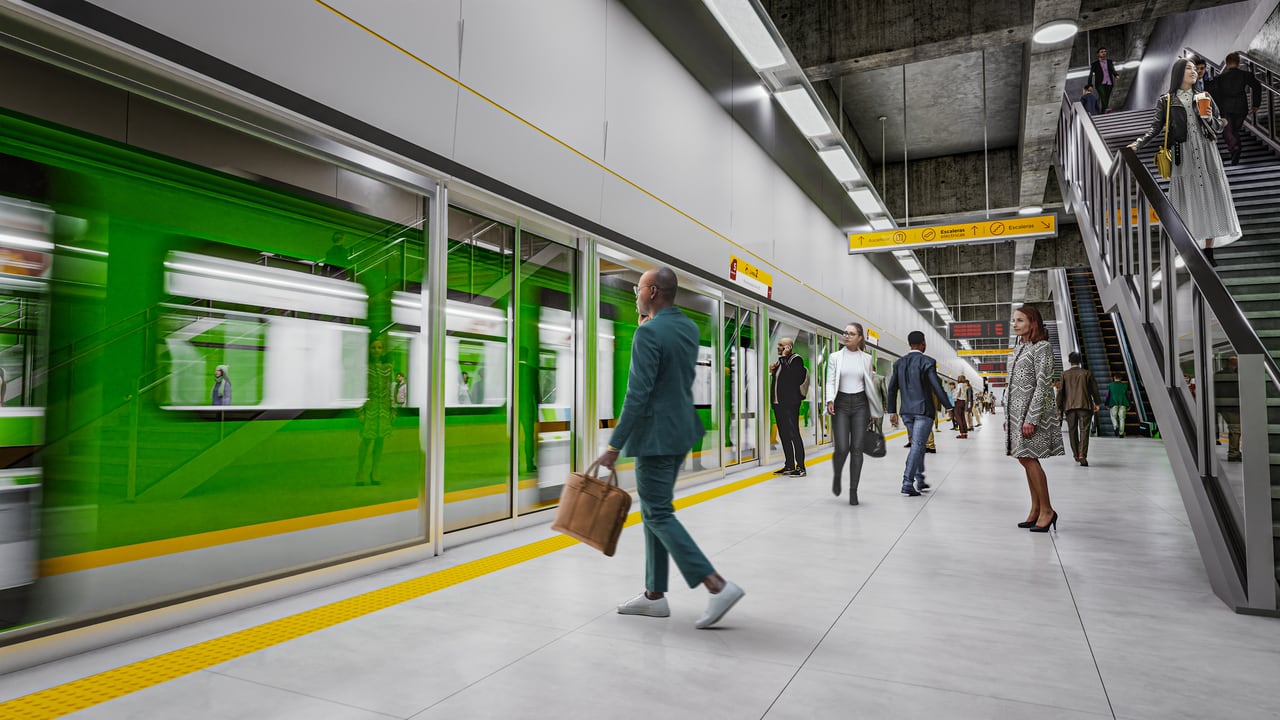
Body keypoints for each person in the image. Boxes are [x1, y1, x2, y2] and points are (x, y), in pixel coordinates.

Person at [599, 267, 744, 629]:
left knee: (658, 513)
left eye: (638, 288)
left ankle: (716, 585)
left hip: (656, 435)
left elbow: (638, 394)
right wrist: (645, 323)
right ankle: (654, 595)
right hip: (681, 430)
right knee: (654, 510)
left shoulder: (648, 334)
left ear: (651, 290)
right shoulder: (687, 327)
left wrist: (614, 445)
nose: (635, 293)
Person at [1130, 58, 1241, 267]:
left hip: (1207, 151)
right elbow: (1156, 128)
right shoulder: (1166, 100)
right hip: (1183, 153)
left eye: (1194, 69)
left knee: (1210, 196)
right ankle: (1190, 245)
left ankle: (1208, 249)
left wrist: (1209, 119)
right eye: (1188, 68)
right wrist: (1138, 144)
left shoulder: (1204, 96)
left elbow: (1218, 126)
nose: (1193, 72)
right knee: (1188, 198)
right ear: (1179, 73)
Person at [1006, 305, 1064, 532]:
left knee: (1029, 458)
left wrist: (1031, 418)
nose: (1015, 324)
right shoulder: (1019, 348)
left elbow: (1042, 384)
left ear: (1033, 323)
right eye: (1014, 320)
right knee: (1024, 458)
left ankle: (1047, 510)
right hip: (1016, 413)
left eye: (1020, 320)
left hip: (1032, 413)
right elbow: (1012, 383)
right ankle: (1036, 508)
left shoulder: (1043, 347)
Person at [887, 330, 952, 497]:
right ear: (923, 343)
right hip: (923, 411)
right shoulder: (927, 361)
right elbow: (936, 387)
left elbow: (892, 388)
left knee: (918, 444)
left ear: (910, 344)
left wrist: (892, 411)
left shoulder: (899, 363)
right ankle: (907, 482)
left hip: (906, 412)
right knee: (917, 445)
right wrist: (948, 406)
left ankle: (920, 479)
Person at [824, 321, 883, 505]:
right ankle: (837, 475)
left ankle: (853, 490)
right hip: (840, 403)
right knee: (842, 447)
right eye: (845, 332)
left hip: (860, 405)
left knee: (857, 448)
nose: (847, 336)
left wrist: (873, 409)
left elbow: (869, 385)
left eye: (851, 333)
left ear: (859, 338)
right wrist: (829, 399)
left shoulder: (866, 358)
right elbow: (830, 380)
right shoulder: (835, 357)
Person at [1208, 52, 1262, 166]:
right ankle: (1235, 148)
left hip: (1226, 108)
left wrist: (1215, 112)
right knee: (1234, 130)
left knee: (1228, 131)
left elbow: (1214, 93)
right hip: (1241, 107)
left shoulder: (1220, 78)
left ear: (1227, 64)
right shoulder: (1246, 75)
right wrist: (1256, 104)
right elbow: (1257, 86)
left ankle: (1235, 148)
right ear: (1238, 63)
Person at [356, 336, 394, 485]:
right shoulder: (364, 368)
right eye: (374, 348)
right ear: (369, 350)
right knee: (366, 441)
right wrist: (359, 412)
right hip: (369, 409)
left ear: (383, 350)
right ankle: (360, 471)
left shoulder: (388, 368)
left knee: (380, 441)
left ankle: (375, 471)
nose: (377, 350)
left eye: (379, 348)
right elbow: (358, 390)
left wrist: (393, 410)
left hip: (384, 409)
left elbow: (390, 389)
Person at [769, 336, 808, 477]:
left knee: (793, 434)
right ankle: (789, 465)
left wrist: (785, 359)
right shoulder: (780, 362)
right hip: (779, 405)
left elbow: (795, 378)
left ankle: (801, 467)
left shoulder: (796, 360)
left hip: (790, 405)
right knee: (784, 435)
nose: (778, 347)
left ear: (788, 348)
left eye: (781, 345)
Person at [1057, 352, 1101, 466]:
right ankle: (1082, 454)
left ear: (1069, 361)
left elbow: (1061, 392)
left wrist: (1059, 408)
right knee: (1084, 430)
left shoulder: (1064, 374)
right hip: (1085, 405)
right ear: (1080, 361)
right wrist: (1097, 403)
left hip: (1069, 407)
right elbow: (1094, 390)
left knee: (1072, 431)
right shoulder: (1087, 373)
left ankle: (1076, 454)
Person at [1216, 355, 1241, 462]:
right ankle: (1233, 453)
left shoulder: (1219, 375)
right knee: (1236, 429)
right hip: (1231, 407)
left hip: (1225, 407)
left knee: (1235, 429)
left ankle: (1234, 452)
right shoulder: (1236, 375)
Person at [1089, 47, 1120, 112]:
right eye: (1102, 52)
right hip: (1099, 83)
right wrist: (1090, 85)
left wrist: (1116, 75)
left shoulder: (1109, 62)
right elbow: (1091, 75)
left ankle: (1103, 111)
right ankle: (1106, 108)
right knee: (1103, 96)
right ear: (1098, 54)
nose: (1104, 53)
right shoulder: (1095, 64)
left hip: (1109, 82)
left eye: (1105, 51)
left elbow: (1112, 70)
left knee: (1106, 97)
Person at [1107, 373, 1130, 437]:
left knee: (1113, 416)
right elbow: (1127, 396)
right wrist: (1129, 405)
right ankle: (1121, 433)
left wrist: (1106, 404)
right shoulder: (1125, 385)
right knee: (1122, 418)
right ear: (1121, 378)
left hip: (1113, 403)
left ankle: (1115, 426)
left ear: (1114, 378)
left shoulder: (1110, 385)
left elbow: (1108, 395)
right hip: (1123, 403)